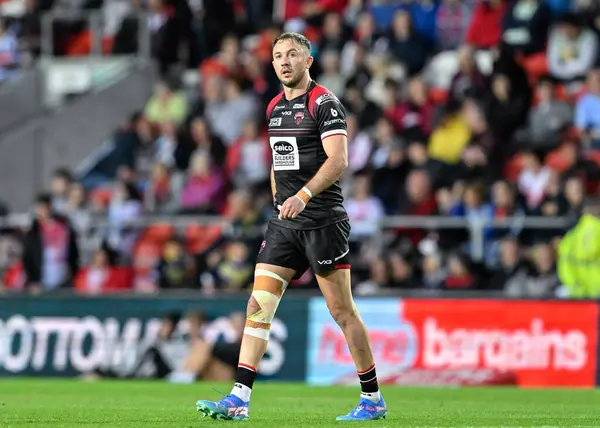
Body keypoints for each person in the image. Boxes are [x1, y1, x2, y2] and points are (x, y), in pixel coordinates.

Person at [195, 32, 387, 422]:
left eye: (293, 54)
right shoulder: (273, 108)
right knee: (257, 304)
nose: (284, 61)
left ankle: (372, 398)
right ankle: (239, 398)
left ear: (308, 60)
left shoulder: (325, 104)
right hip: (285, 223)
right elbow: (277, 161)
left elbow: (338, 160)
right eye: (278, 55)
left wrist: (303, 195)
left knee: (342, 311)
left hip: (322, 221)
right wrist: (278, 198)